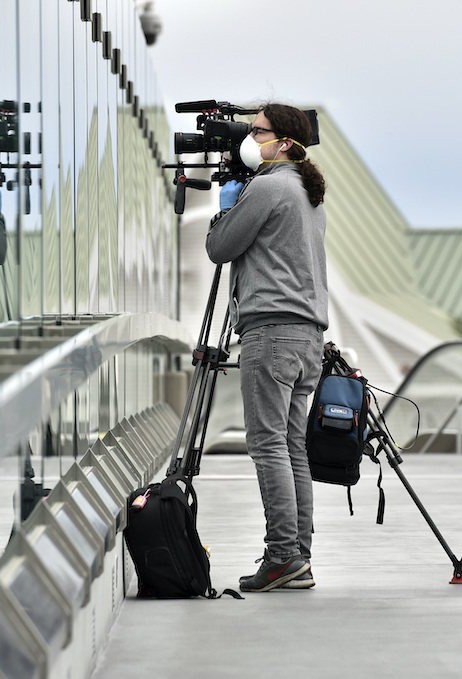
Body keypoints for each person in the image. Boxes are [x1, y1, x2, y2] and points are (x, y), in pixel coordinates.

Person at [205, 103, 329, 592]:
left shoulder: (270, 185)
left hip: (271, 331)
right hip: (306, 336)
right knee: (290, 445)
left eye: (256, 132)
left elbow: (219, 248)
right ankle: (298, 556)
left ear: (283, 143)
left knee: (267, 445)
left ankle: (281, 556)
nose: (248, 138)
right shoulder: (304, 189)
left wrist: (226, 208)